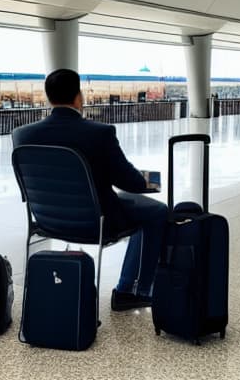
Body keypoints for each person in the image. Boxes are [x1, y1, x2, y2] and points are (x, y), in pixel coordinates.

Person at [12, 69, 167, 311]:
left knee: (134, 206)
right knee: (156, 212)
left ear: (49, 98)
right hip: (96, 222)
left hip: (46, 221)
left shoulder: (22, 135)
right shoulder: (99, 133)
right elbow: (129, 181)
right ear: (78, 96)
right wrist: (153, 180)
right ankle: (130, 290)